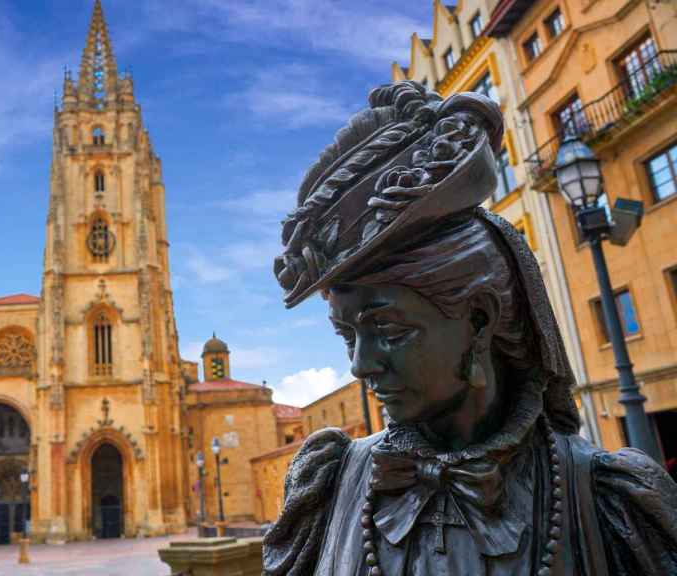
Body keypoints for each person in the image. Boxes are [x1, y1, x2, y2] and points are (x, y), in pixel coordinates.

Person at [265, 81, 677, 576]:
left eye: (389, 330)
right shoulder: (328, 486)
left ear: (479, 322)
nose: (361, 364)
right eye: (347, 335)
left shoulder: (610, 499)